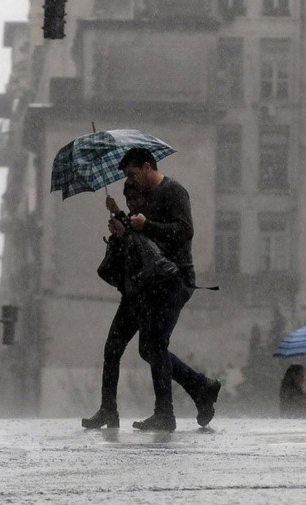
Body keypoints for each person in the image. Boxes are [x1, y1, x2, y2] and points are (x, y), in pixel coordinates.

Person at [116, 147, 221, 432]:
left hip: (176, 278)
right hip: (156, 282)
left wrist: (147, 224)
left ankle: (167, 413)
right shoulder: (147, 200)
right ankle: (201, 388)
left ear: (148, 167)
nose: (131, 180)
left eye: (133, 173)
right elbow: (147, 243)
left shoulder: (174, 191)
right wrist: (124, 228)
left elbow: (185, 231)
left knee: (155, 345)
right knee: (149, 347)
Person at [81, 183, 150, 429]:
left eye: (134, 198)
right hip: (130, 297)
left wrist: (125, 232)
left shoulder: (148, 219)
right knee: (112, 350)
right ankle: (108, 409)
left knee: (154, 352)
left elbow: (146, 250)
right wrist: (117, 234)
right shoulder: (129, 220)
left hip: (148, 297)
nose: (131, 203)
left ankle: (194, 389)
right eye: (127, 199)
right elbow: (124, 258)